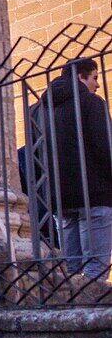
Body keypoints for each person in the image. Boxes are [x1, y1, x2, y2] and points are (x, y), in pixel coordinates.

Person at [46, 58, 112, 278]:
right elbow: (105, 147)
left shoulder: (43, 108)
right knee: (96, 265)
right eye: (94, 77)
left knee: (72, 269)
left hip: (61, 199)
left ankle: (73, 308)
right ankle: (92, 311)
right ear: (79, 77)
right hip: (94, 195)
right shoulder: (92, 103)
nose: (97, 84)